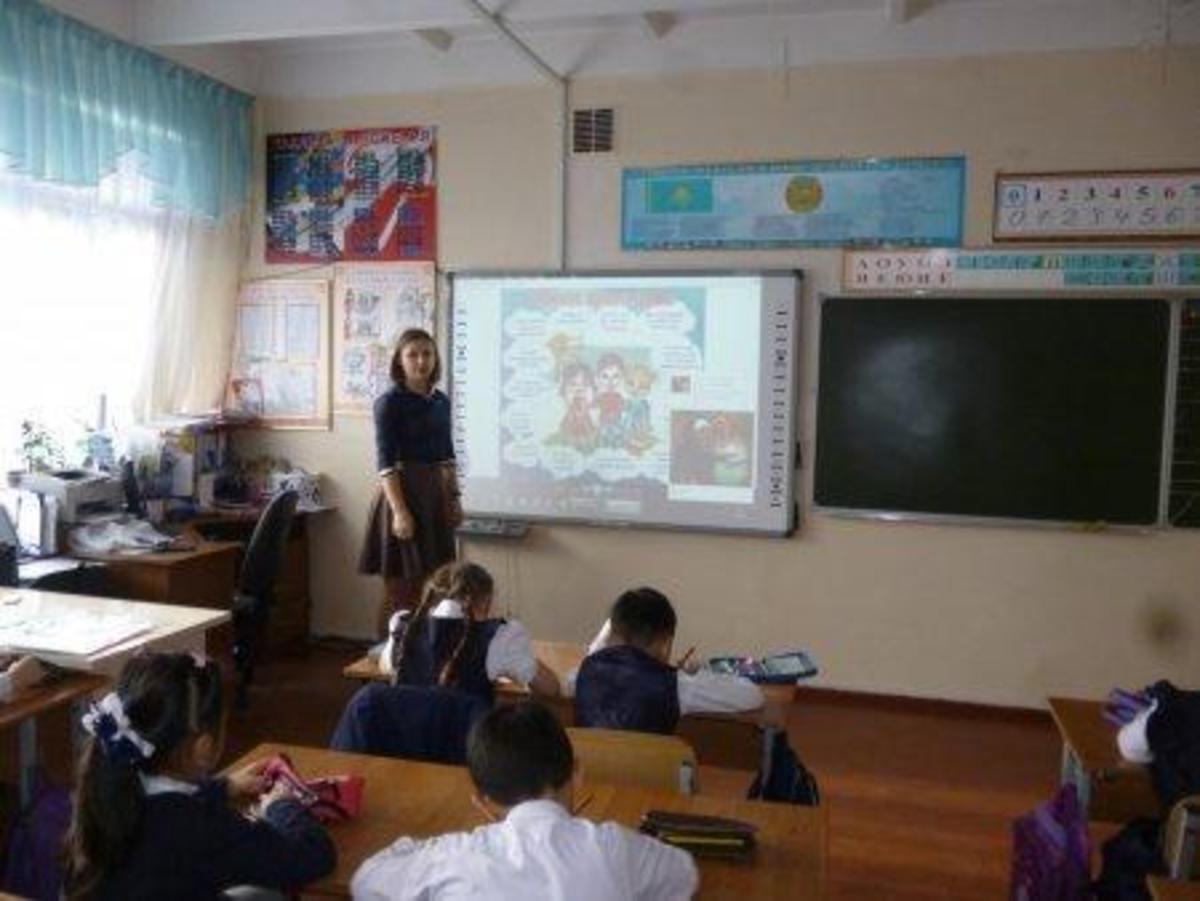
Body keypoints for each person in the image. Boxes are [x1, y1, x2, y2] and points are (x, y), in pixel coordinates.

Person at [350, 701, 698, 900]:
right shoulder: (613, 847)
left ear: (483, 802)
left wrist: (422, 848)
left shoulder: (452, 857)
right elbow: (684, 874)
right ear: (577, 773)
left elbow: (365, 881)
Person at [63, 652, 336, 900]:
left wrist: (224, 787)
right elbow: (312, 857)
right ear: (203, 747)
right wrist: (282, 805)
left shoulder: (105, 795)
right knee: (268, 894)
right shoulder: (205, 826)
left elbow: (166, 810)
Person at [358, 328, 463, 637]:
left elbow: (447, 456)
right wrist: (401, 512)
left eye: (427, 354)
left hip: (435, 499)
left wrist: (454, 499)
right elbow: (385, 463)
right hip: (401, 497)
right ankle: (387, 655)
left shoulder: (441, 401)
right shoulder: (388, 403)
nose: (421, 361)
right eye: (412, 354)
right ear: (399, 361)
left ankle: (426, 655)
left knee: (438, 588)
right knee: (400, 592)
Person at [574, 587, 763, 734]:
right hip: (652, 773)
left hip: (592, 770)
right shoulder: (675, 684)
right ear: (665, 643)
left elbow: (578, 671)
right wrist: (698, 674)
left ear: (613, 632)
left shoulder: (586, 670)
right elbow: (753, 695)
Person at [380, 560, 560, 702]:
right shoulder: (500, 637)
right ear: (485, 601)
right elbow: (550, 688)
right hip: (466, 737)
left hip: (402, 736)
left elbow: (385, 666)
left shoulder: (403, 625)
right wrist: (518, 658)